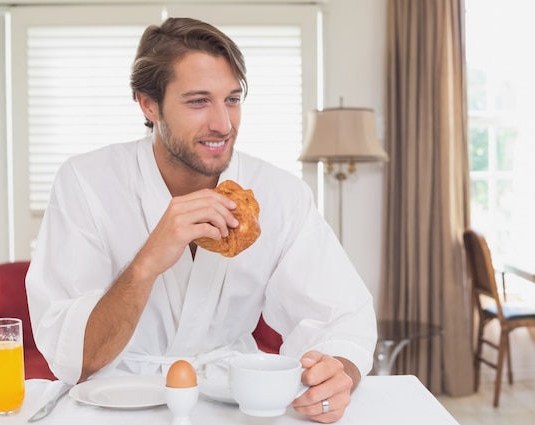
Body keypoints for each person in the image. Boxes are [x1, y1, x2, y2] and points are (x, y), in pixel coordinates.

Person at [26, 17, 377, 423]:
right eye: (198, 101)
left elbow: (342, 317)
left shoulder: (281, 194)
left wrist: (339, 373)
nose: (223, 124)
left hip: (234, 401)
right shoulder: (85, 182)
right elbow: (75, 360)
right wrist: (147, 263)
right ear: (148, 103)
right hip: (114, 404)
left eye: (232, 99)